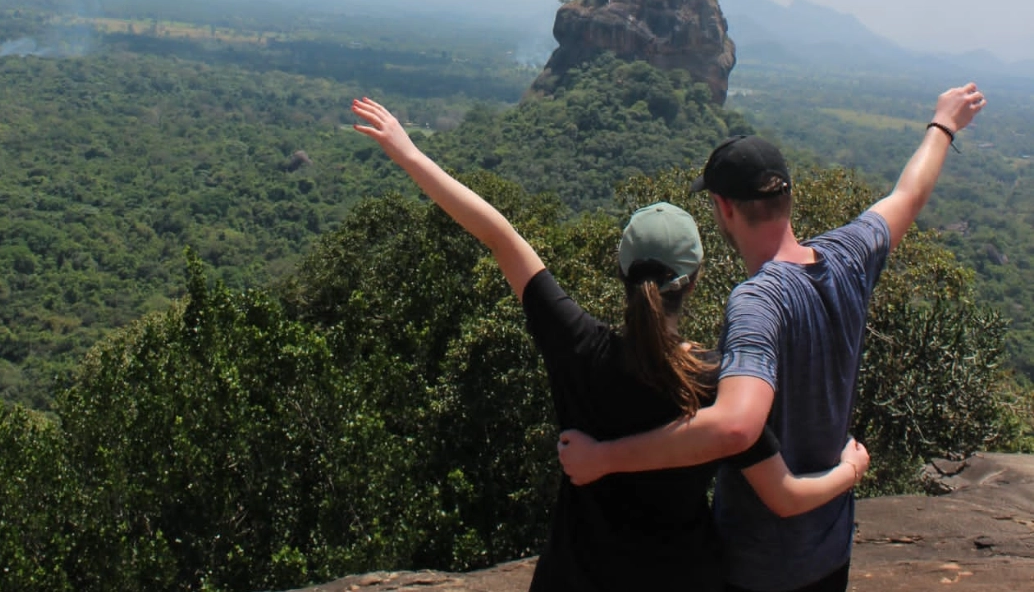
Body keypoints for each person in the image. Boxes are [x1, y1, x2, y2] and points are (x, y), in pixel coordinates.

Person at [351, 96, 870, 592]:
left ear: (623, 269)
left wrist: (409, 152)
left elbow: (500, 235)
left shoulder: (579, 348)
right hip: (683, 581)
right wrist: (850, 470)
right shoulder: (719, 384)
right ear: (695, 277)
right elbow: (783, 496)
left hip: (578, 578)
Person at [557, 83, 987, 592]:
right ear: (787, 196)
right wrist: (943, 125)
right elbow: (907, 196)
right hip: (830, 547)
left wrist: (604, 459)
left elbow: (737, 427)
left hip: (760, 566)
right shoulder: (846, 257)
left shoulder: (757, 302)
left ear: (724, 208)